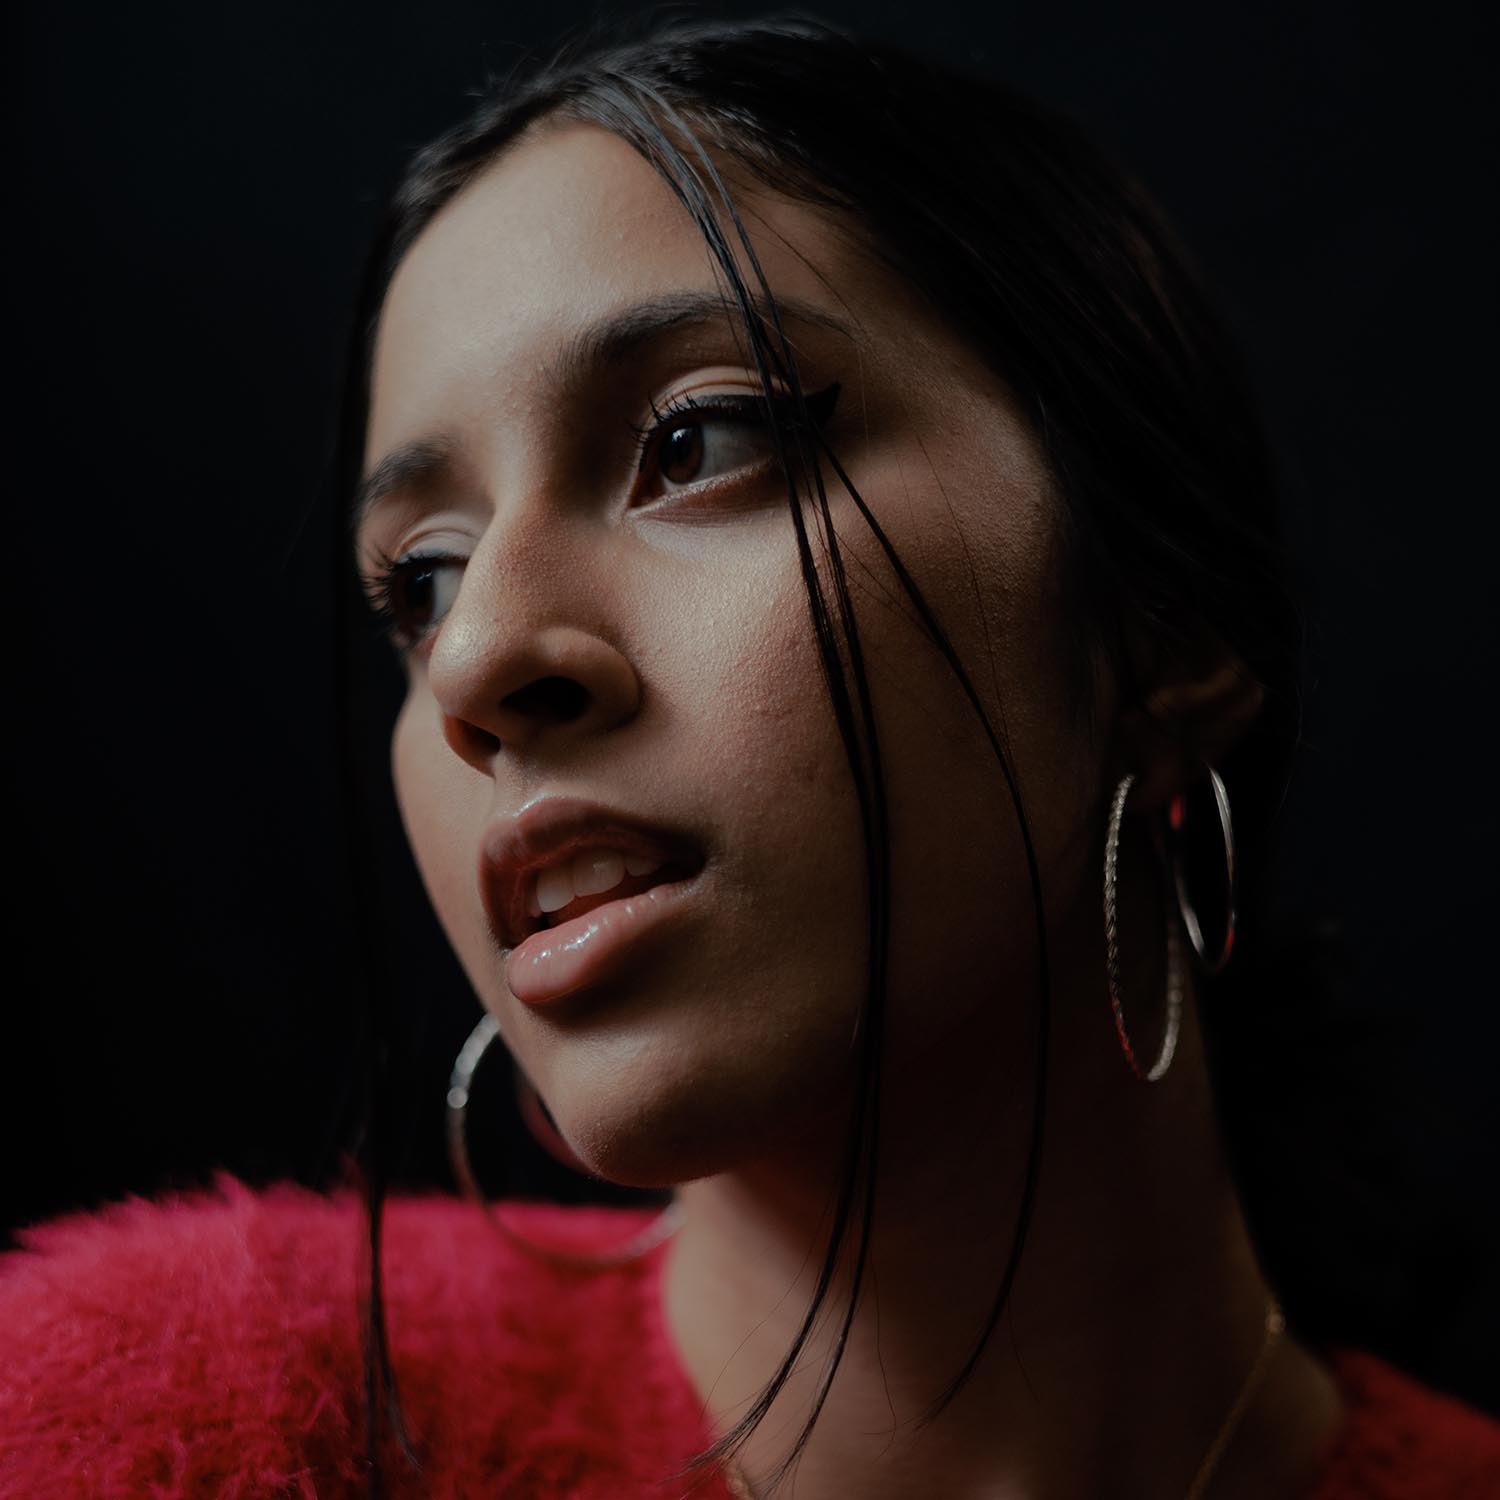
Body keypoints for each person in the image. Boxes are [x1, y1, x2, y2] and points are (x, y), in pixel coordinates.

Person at [2, 14, 1497, 1500]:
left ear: (1162, 623)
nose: (475, 663)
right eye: (423, 581)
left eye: (700, 440)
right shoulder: (193, 1425)